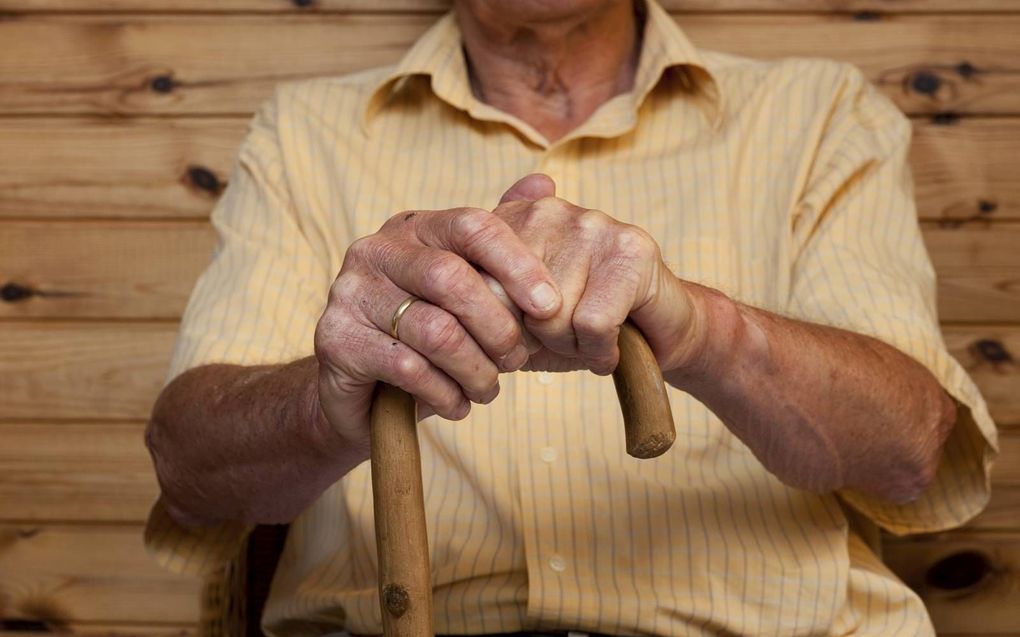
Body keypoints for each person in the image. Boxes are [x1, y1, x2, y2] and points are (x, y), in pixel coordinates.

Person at [144, 0, 998, 635]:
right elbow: (189, 469)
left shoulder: (818, 116)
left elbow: (911, 453)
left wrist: (702, 330)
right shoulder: (305, 135)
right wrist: (325, 393)